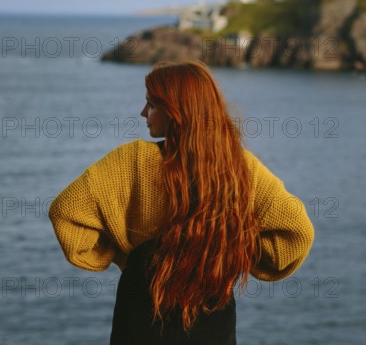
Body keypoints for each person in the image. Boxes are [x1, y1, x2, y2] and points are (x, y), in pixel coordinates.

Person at [49, 59, 314, 344]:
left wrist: (127, 255)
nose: (142, 112)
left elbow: (66, 212)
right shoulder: (243, 168)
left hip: (141, 318)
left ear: (176, 111)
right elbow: (297, 234)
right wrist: (231, 247)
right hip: (214, 321)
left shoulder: (133, 161)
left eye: (150, 105)